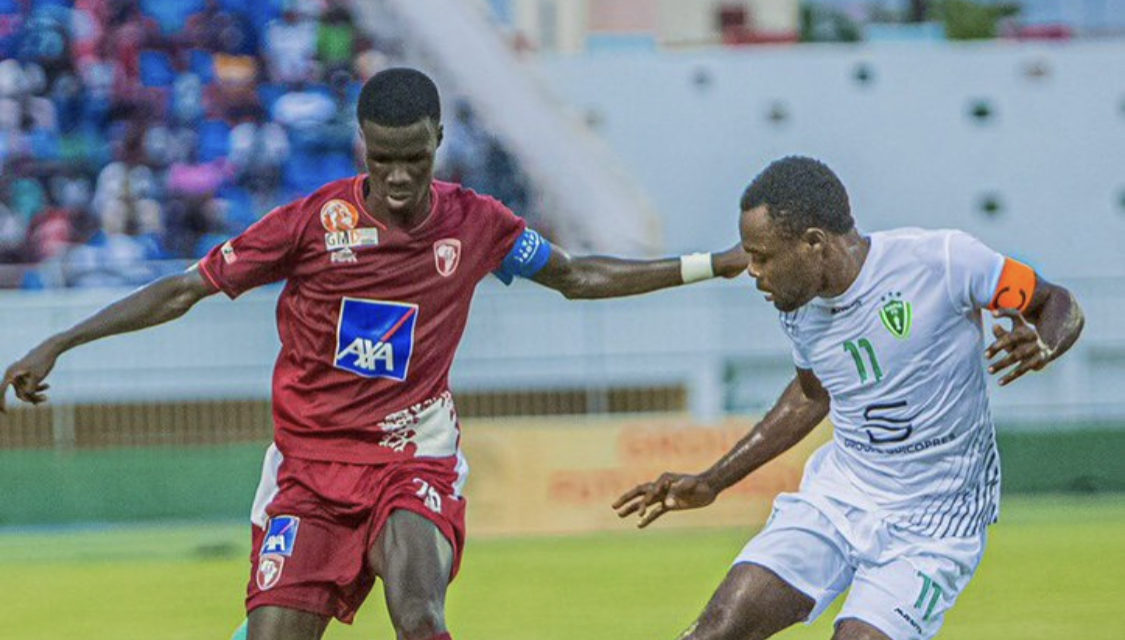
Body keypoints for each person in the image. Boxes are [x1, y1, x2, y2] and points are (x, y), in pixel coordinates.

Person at [0, 67, 747, 640]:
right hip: (309, 472)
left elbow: (577, 275)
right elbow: (185, 289)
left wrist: (705, 264)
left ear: (437, 143)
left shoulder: (476, 223)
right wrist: (63, 341)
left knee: (418, 613)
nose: (397, 178)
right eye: (383, 158)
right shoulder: (310, 223)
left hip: (410, 457)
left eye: (413, 159)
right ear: (364, 145)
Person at [614, 156, 1084, 640]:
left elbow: (1057, 303)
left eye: (762, 256)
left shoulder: (943, 261)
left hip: (936, 521)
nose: (752, 271)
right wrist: (713, 481)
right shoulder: (798, 307)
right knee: (716, 631)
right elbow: (812, 396)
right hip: (838, 499)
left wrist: (1045, 341)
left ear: (814, 243)